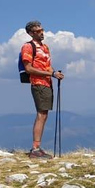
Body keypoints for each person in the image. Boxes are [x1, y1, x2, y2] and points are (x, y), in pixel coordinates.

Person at [21, 20, 64, 158]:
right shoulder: (28, 47)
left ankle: (37, 148)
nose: (42, 33)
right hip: (38, 83)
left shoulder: (45, 47)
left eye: (42, 30)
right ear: (31, 33)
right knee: (41, 115)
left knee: (44, 114)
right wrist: (51, 74)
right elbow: (28, 69)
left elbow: (47, 66)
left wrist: (55, 73)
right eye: (38, 31)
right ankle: (35, 149)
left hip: (46, 83)